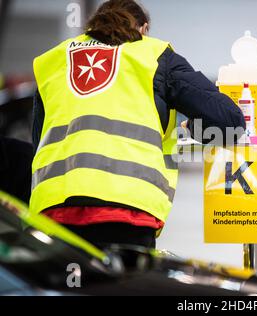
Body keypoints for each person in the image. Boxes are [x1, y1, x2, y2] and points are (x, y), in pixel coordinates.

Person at [31, 0, 245, 249]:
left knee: (68, 287)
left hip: (54, 209)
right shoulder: (154, 55)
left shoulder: (54, 60)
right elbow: (230, 121)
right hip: (126, 210)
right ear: (143, 29)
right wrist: (192, 128)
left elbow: (39, 142)